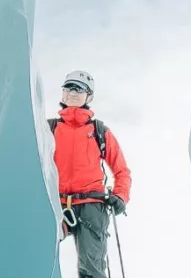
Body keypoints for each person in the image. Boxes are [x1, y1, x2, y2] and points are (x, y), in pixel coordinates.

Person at [51, 70, 132, 278]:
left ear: (89, 96)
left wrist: (121, 195)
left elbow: (122, 170)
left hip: (91, 207)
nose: (72, 92)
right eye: (68, 87)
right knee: (40, 253)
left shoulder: (99, 131)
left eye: (78, 88)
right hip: (56, 204)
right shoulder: (50, 129)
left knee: (92, 269)